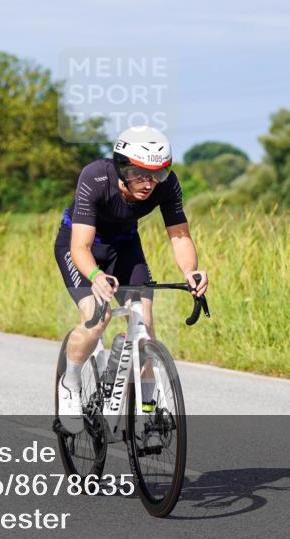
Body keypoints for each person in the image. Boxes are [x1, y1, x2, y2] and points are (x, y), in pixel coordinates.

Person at [53, 125, 208, 433]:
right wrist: (96, 276)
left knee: (144, 323)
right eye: (140, 173)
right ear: (122, 167)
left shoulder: (167, 185)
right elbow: (80, 247)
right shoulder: (96, 178)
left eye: (158, 174)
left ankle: (147, 408)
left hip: (125, 246)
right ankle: (69, 383)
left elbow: (179, 236)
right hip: (81, 248)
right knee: (98, 318)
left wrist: (190, 271)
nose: (149, 183)